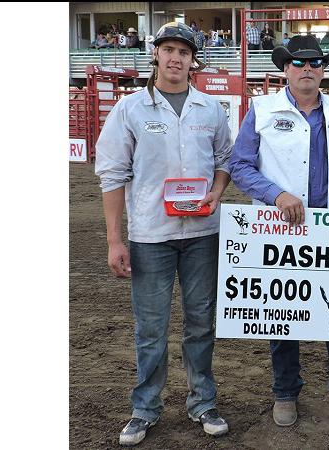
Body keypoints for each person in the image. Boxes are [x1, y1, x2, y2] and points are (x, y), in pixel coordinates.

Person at [229, 34, 329, 433]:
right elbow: (240, 165)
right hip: (281, 228)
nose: (307, 68)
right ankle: (285, 392)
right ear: (285, 69)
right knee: (282, 313)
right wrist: (276, 195)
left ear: (323, 69)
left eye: (314, 62)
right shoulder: (262, 109)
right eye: (299, 62)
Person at [94, 21, 233, 447]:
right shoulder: (130, 109)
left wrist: (216, 191)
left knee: (200, 322)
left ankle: (203, 401)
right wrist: (114, 239)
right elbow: (112, 174)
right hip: (151, 234)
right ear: (156, 54)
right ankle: (145, 407)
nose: (175, 58)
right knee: (151, 327)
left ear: (193, 61)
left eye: (183, 52)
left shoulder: (211, 109)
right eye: (168, 49)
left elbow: (225, 159)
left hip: (203, 233)